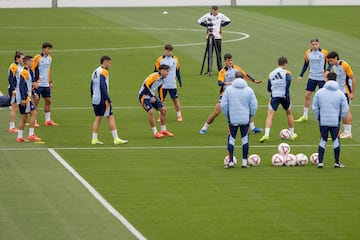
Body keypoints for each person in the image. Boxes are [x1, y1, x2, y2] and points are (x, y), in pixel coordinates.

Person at [199, 53, 263, 135]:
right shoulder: (222, 71)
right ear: (225, 61)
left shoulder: (237, 68)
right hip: (225, 93)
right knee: (217, 111)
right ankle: (204, 127)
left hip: (236, 93)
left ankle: (253, 128)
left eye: (231, 60)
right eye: (228, 61)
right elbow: (220, 83)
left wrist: (254, 81)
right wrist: (231, 83)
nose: (230, 62)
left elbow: (245, 75)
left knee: (245, 108)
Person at [220, 76, 258, 169]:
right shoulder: (249, 90)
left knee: (231, 139)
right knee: (245, 139)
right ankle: (244, 162)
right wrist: (250, 115)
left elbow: (223, 105)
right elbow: (254, 105)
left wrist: (227, 115)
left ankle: (231, 162)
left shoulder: (229, 90)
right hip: (245, 119)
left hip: (232, 119)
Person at [312, 72, 348, 168]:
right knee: (336, 140)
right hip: (335, 121)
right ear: (336, 80)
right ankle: (336, 162)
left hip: (323, 121)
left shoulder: (319, 92)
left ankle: (320, 163)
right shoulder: (340, 93)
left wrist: (319, 117)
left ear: (326, 79)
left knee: (323, 140)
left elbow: (314, 107)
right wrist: (339, 118)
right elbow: (345, 108)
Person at [90, 56, 128, 145]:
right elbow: (102, 86)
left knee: (98, 117)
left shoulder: (95, 71)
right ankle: (116, 139)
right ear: (105, 62)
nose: (110, 64)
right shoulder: (104, 72)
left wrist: (92, 95)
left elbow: (91, 85)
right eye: (109, 62)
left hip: (95, 99)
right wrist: (107, 99)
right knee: (110, 116)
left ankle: (94, 139)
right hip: (102, 99)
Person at [259, 57, 298, 143]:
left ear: (278, 63)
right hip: (284, 96)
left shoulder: (271, 74)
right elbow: (288, 83)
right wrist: (285, 94)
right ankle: (292, 134)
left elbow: (269, 88)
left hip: (274, 96)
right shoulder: (287, 72)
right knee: (289, 113)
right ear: (285, 64)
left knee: (270, 115)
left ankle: (266, 134)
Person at [295, 38, 329, 122]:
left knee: (323, 97)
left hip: (322, 78)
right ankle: (305, 115)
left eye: (316, 44)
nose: (314, 46)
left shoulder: (324, 52)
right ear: (311, 45)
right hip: (312, 77)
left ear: (319, 44)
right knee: (307, 95)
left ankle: (324, 115)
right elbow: (305, 64)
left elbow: (330, 63)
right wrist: (300, 75)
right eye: (313, 44)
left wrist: (327, 71)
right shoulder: (308, 53)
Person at [139, 64, 174, 138]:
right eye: (166, 71)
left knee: (163, 110)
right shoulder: (155, 76)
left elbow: (160, 88)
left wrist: (162, 100)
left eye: (168, 71)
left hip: (152, 95)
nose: (167, 73)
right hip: (144, 96)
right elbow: (146, 85)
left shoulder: (163, 78)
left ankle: (163, 130)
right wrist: (151, 96)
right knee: (151, 113)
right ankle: (155, 132)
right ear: (161, 70)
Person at [326, 51, 356, 139]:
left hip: (346, 92)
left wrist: (352, 93)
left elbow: (353, 78)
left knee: (346, 110)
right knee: (341, 111)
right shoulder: (335, 66)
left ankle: (349, 132)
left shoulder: (344, 65)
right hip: (339, 92)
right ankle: (345, 131)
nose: (330, 63)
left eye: (331, 60)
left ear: (336, 58)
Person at [197, 5, 231, 72]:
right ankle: (209, 70)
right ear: (211, 10)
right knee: (209, 54)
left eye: (216, 11)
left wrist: (221, 25)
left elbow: (228, 20)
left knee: (218, 54)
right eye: (213, 11)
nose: (215, 12)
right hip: (209, 37)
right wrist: (206, 25)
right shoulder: (207, 16)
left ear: (217, 10)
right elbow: (199, 21)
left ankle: (220, 69)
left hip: (218, 37)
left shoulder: (220, 15)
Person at [154, 44, 183, 122]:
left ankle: (179, 115)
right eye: (168, 51)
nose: (169, 53)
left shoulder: (175, 59)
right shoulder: (160, 60)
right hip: (162, 84)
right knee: (161, 101)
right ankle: (161, 116)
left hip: (172, 84)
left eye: (170, 51)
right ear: (165, 51)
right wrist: (155, 83)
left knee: (175, 99)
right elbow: (155, 72)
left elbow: (177, 71)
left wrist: (180, 81)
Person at [16, 55, 42, 142]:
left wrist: (34, 93)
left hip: (24, 97)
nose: (33, 63)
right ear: (27, 62)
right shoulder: (24, 72)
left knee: (24, 117)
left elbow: (28, 85)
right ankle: (31, 134)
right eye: (31, 61)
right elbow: (22, 85)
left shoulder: (28, 71)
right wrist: (24, 98)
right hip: (25, 98)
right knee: (34, 113)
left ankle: (20, 137)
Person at [32, 42, 58, 126]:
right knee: (36, 101)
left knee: (48, 100)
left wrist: (50, 82)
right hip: (38, 83)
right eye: (48, 49)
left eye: (50, 49)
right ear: (43, 49)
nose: (50, 51)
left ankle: (48, 120)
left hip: (46, 84)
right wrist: (33, 82)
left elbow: (48, 70)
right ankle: (34, 120)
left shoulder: (49, 58)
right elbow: (32, 70)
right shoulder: (37, 58)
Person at [7, 51, 24, 133]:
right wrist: (14, 89)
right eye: (22, 58)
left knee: (15, 108)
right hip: (14, 89)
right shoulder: (13, 66)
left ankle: (12, 126)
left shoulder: (19, 66)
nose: (23, 60)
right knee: (14, 108)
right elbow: (10, 78)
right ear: (17, 58)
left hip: (17, 89)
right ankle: (11, 127)